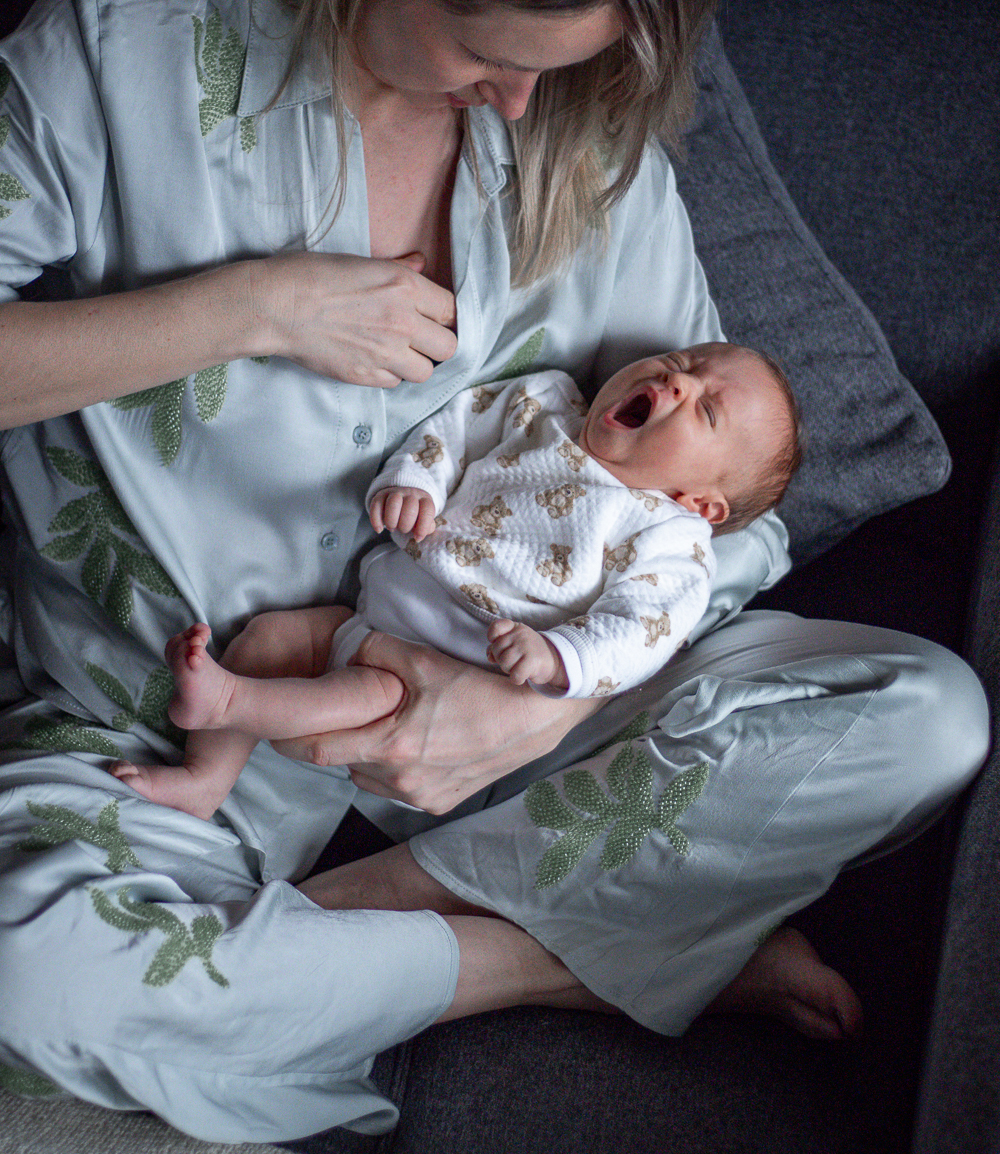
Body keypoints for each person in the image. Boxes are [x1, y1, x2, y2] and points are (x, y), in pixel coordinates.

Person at [0, 0, 987, 1144]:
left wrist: (548, 710)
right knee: (31, 981)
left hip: (512, 706)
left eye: (552, 67)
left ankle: (318, 943)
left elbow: (715, 509)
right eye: (487, 53)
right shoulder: (127, 32)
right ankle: (567, 965)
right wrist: (246, 309)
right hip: (183, 719)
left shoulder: (580, 127)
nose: (521, 104)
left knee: (925, 714)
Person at [111, 342, 802, 819]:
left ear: (700, 503)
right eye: (682, 363)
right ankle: (205, 779)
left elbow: (643, 632)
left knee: (365, 694)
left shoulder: (668, 540)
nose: (679, 382)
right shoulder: (544, 400)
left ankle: (229, 702)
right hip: (371, 612)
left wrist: (562, 657)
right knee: (268, 638)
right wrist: (417, 481)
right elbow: (455, 429)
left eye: (706, 410)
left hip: (452, 666)